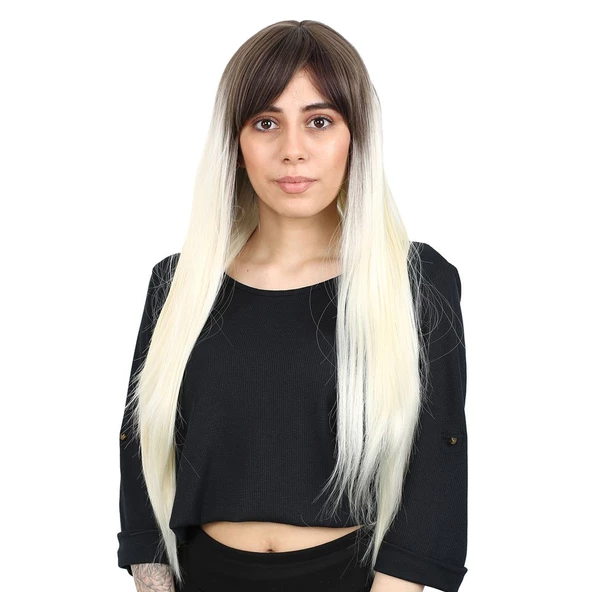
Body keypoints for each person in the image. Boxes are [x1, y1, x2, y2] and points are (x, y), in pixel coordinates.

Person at [116, 19, 468, 592]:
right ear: (236, 143)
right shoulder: (178, 285)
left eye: (319, 121)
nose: (293, 151)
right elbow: (141, 452)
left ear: (356, 137)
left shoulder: (415, 282)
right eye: (266, 123)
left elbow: (436, 463)